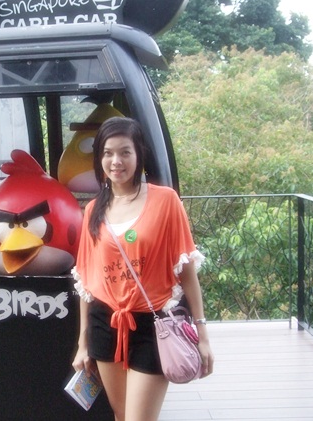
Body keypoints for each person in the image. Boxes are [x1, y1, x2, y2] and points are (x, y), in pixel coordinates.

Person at [71, 117, 214, 421]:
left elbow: (186, 271)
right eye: (108, 153)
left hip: (154, 325)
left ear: (139, 155)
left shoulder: (166, 201)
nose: (116, 161)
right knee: (121, 415)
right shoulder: (93, 210)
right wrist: (83, 344)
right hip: (105, 324)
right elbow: (86, 283)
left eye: (125, 152)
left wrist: (202, 334)